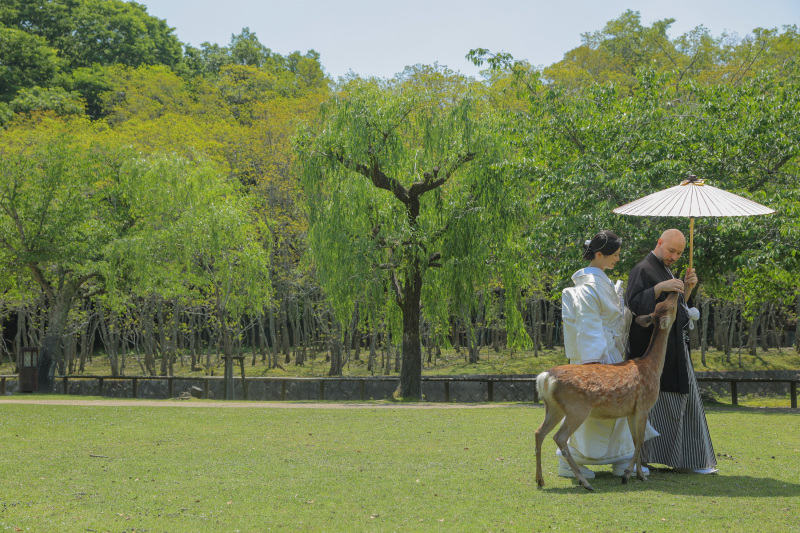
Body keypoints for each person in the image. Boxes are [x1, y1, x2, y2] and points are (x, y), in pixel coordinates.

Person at [558, 230, 658, 479]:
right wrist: (593, 364)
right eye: (614, 255)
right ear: (599, 254)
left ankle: (621, 457)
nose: (617, 259)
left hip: (612, 353)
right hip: (596, 356)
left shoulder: (601, 281)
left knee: (621, 403)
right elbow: (588, 323)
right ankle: (571, 460)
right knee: (590, 409)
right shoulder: (589, 287)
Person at [625, 229, 717, 474]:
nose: (674, 256)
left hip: (673, 348)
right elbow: (633, 304)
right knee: (651, 403)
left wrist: (687, 288)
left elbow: (678, 310)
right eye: (671, 250)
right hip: (651, 350)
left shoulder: (666, 270)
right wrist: (659, 288)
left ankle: (689, 459)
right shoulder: (642, 269)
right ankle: (641, 459)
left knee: (682, 403)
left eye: (679, 253)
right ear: (659, 242)